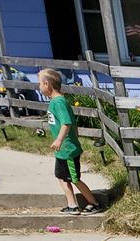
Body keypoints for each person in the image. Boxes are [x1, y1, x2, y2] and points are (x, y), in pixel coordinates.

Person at [37, 68, 100, 215]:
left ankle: (94, 203)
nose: (39, 87)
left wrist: (59, 140)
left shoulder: (59, 102)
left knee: (74, 178)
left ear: (47, 84)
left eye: (39, 83)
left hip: (68, 149)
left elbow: (67, 123)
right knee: (61, 177)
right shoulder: (55, 101)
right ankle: (72, 205)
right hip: (62, 150)